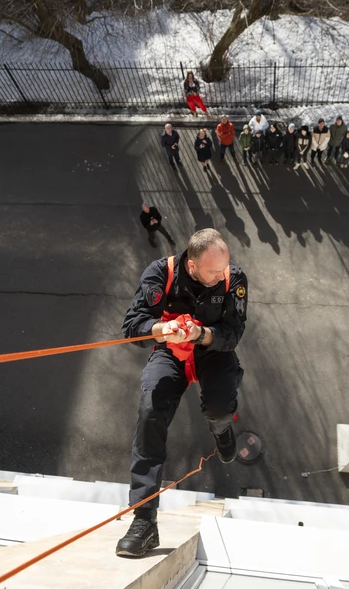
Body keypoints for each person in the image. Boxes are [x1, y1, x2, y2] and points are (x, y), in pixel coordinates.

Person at [117, 229, 248, 558]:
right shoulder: (161, 274)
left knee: (219, 405)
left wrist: (201, 333)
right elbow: (133, 324)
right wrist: (161, 330)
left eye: (225, 267)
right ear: (191, 266)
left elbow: (233, 333)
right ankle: (144, 519)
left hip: (211, 349)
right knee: (150, 412)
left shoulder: (233, 278)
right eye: (213, 271)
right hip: (170, 351)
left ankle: (221, 429)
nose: (222, 275)